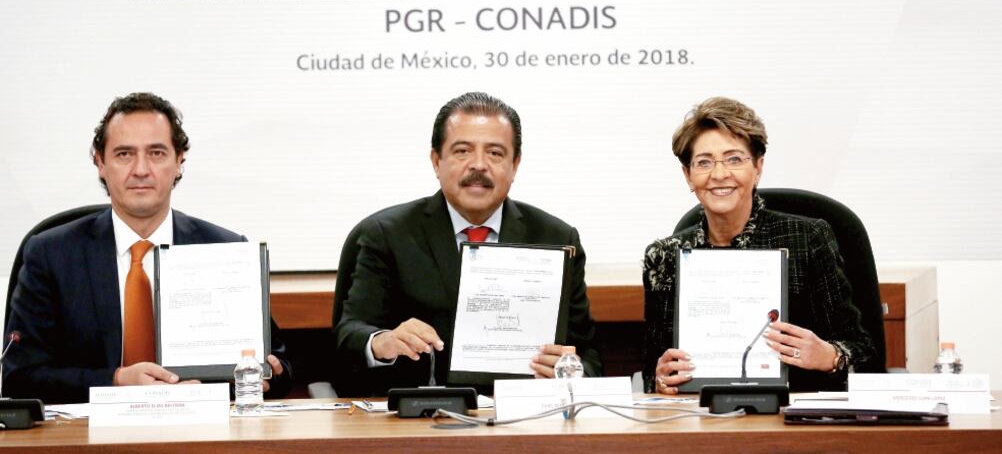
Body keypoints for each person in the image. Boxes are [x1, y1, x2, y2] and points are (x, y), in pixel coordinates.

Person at [4, 92, 292, 404]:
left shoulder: (225, 249)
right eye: (124, 154)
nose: (141, 169)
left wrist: (269, 375)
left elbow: (279, 368)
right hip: (90, 432)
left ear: (179, 161)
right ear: (100, 163)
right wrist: (115, 380)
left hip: (199, 427)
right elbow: (19, 377)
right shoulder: (51, 255)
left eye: (156, 153)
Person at [334, 92, 601, 395]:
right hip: (421, 414)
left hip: (523, 414)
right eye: (462, 151)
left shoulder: (556, 238)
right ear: (437, 161)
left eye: (495, 153)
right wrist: (383, 342)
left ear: (515, 165)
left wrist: (570, 371)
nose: (479, 165)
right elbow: (348, 335)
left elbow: (589, 357)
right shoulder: (387, 234)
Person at [643, 97, 873, 393]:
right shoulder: (664, 258)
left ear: (758, 167)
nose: (719, 174)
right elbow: (652, 371)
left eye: (734, 159)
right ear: (688, 175)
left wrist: (830, 356)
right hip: (700, 414)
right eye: (704, 162)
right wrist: (661, 379)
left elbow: (863, 351)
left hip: (792, 411)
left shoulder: (807, 240)